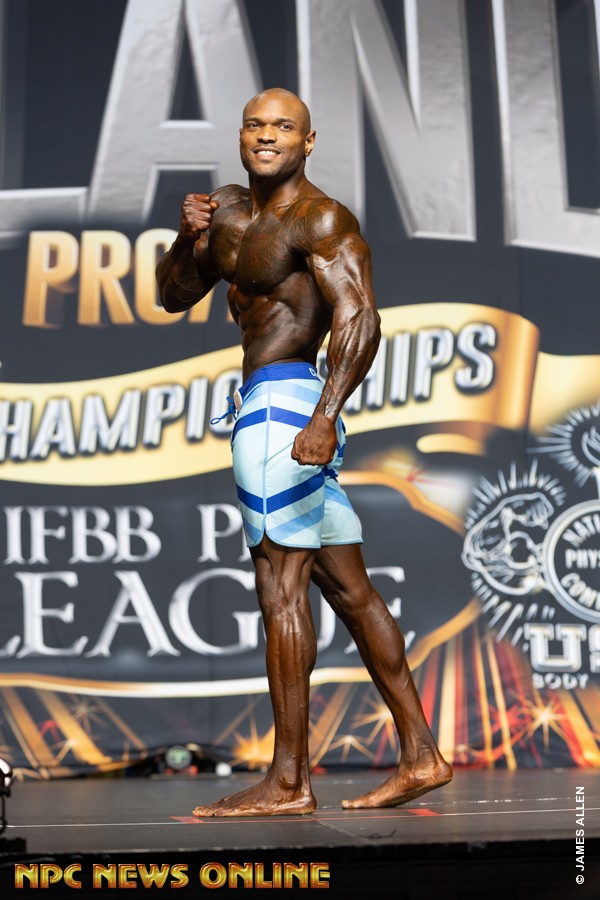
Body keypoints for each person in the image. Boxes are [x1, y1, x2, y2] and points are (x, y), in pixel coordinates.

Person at [156, 88, 452, 817]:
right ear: (240, 136)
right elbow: (174, 296)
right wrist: (186, 239)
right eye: (255, 125)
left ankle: (288, 781)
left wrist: (325, 417)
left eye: (283, 127)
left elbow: (360, 318)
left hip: (285, 413)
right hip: (273, 407)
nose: (267, 136)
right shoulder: (229, 211)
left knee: (279, 589)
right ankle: (421, 755)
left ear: (308, 141)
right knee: (352, 592)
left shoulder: (320, 218)